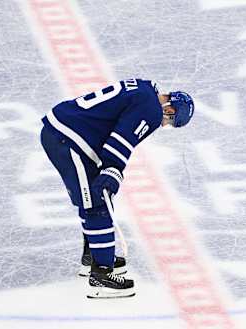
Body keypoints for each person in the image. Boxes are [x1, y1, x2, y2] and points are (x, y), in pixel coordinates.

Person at [40, 78, 194, 298]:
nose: (164, 124)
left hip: (65, 133)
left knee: (93, 198)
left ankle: (94, 256)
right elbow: (122, 139)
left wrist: (111, 169)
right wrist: (113, 170)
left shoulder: (145, 89)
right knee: (97, 202)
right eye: (170, 120)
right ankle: (101, 275)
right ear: (169, 108)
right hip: (69, 139)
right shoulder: (151, 110)